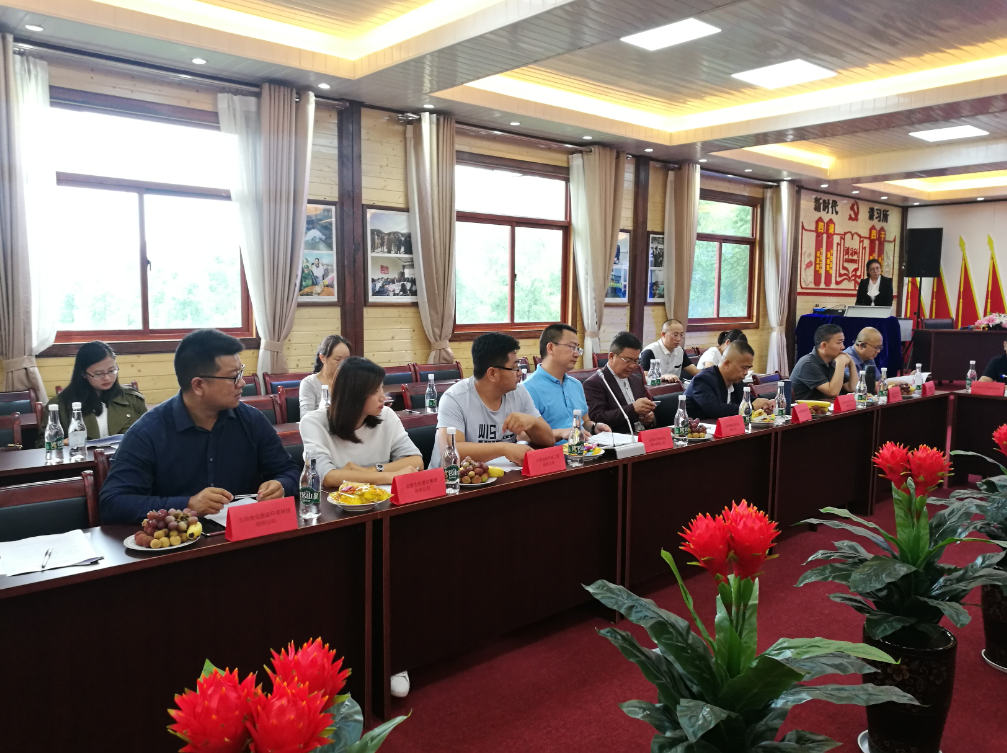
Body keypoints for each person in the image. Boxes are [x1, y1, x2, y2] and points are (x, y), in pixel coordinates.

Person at [99, 329, 299, 524]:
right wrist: (187, 505)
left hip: (246, 532)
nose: (241, 384)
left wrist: (281, 485)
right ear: (198, 385)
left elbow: (289, 471)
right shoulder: (147, 432)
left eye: (241, 373)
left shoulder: (251, 420)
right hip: (178, 540)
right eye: (233, 377)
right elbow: (113, 503)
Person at [432, 332, 553, 467]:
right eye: (514, 368)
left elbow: (549, 440)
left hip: (503, 475)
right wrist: (503, 449)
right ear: (492, 373)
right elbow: (451, 450)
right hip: (454, 477)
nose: (520, 372)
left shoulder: (519, 392)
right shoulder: (454, 398)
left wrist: (533, 423)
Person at [300, 357, 422, 486]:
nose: (383, 397)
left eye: (381, 388)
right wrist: (389, 476)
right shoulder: (313, 423)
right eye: (375, 391)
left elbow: (416, 461)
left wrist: (371, 470)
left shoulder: (387, 415)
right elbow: (326, 477)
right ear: (353, 395)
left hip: (381, 497)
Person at [36, 341, 147, 447]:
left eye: (111, 371)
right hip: (80, 459)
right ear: (83, 374)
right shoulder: (60, 405)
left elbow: (150, 435)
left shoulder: (133, 400)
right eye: (99, 374)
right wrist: (62, 443)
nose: (107, 378)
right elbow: (41, 445)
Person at [523, 323, 610, 440]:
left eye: (578, 349)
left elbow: (585, 422)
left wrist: (594, 427)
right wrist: (562, 433)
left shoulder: (576, 384)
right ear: (551, 348)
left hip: (583, 448)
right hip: (555, 450)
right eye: (572, 347)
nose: (577, 354)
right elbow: (523, 436)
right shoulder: (528, 388)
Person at [584, 332, 656, 435]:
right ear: (611, 356)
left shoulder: (636, 380)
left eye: (636, 361)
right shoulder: (595, 383)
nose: (632, 366)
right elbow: (597, 417)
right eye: (628, 360)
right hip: (618, 438)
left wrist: (648, 418)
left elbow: (646, 412)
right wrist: (633, 409)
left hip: (643, 436)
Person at [685, 341, 772, 420]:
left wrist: (765, 404)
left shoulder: (736, 381)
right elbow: (715, 409)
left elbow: (750, 400)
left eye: (748, 368)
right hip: (695, 430)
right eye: (744, 367)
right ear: (726, 364)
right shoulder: (703, 380)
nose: (746, 373)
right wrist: (750, 407)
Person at [791, 323, 859, 401]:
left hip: (825, 407)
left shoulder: (831, 362)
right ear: (823, 345)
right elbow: (833, 392)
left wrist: (851, 364)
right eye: (839, 343)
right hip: (806, 408)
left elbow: (852, 388)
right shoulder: (808, 363)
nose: (843, 347)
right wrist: (840, 364)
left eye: (842, 342)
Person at [300, 335, 352, 417]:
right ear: (322, 358)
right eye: (337, 359)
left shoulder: (351, 380)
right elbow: (305, 416)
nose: (343, 364)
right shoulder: (310, 383)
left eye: (346, 359)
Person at [640, 319, 700, 383]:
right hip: (655, 388)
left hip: (675, 388)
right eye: (675, 335)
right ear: (663, 334)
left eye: (681, 335)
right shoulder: (650, 351)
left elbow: (695, 372)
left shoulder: (680, 351)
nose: (679, 339)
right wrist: (663, 377)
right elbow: (644, 379)